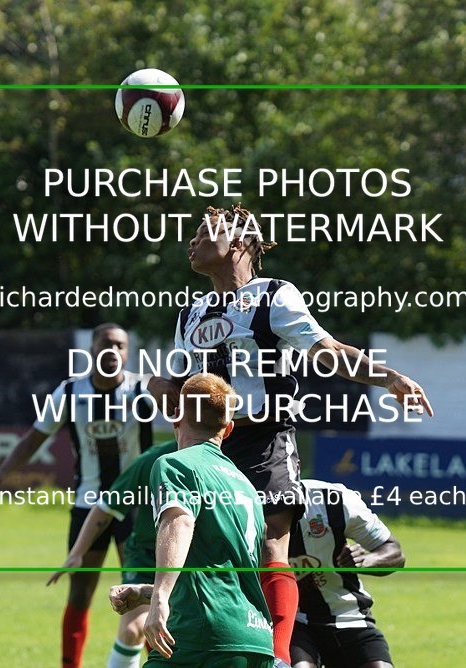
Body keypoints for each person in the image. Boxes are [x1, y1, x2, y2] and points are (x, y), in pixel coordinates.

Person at [148, 204, 432, 664]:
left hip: (264, 437)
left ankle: (277, 657)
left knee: (269, 541)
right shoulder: (190, 313)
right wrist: (161, 386)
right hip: (206, 445)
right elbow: (179, 381)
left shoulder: (274, 296)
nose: (192, 240)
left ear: (238, 242)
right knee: (203, 542)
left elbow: (329, 351)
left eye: (205, 232)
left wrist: (387, 378)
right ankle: (206, 638)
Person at [0, 323, 153, 668]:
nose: (114, 352)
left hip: (135, 509)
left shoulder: (143, 389)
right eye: (107, 344)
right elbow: (34, 438)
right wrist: (3, 472)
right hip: (87, 506)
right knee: (80, 593)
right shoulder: (70, 393)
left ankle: (163, 664)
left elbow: (186, 421)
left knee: (144, 597)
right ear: (91, 349)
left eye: (121, 346)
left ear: (128, 351)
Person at [110, 373, 275, 667]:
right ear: (228, 429)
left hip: (202, 639)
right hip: (255, 641)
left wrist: (160, 598)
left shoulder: (176, 464)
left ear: (176, 415)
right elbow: (220, 575)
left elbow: (179, 522)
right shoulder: (245, 486)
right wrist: (144, 593)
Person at [47, 439, 178, 668]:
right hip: (147, 555)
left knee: (190, 637)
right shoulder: (152, 460)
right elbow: (105, 507)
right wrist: (77, 553)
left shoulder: (224, 461)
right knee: (132, 629)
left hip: (199, 559)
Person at [289, 479, 404, 668]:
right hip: (294, 621)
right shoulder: (247, 503)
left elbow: (394, 552)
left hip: (349, 615)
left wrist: (364, 561)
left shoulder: (334, 499)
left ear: (296, 467)